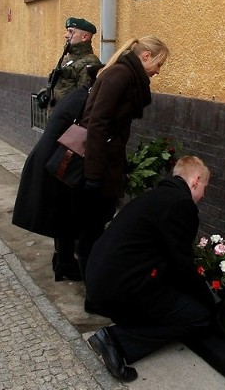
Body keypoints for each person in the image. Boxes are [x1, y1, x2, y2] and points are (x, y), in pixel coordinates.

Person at [85, 156, 215, 382]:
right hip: (121, 289)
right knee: (199, 317)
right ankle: (116, 340)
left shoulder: (156, 197)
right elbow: (181, 264)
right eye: (205, 186)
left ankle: (125, 327)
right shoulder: (180, 204)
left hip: (100, 281)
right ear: (195, 181)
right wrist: (210, 300)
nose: (204, 195)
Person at [76, 36, 169, 284]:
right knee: (92, 229)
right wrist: (94, 175)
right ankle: (92, 290)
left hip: (105, 163)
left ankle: (91, 283)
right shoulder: (121, 76)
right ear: (146, 56)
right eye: (158, 64)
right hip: (97, 166)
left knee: (96, 225)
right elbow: (97, 124)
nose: (158, 72)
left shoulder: (127, 76)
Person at [12, 84, 93, 282]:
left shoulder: (77, 95)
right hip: (57, 160)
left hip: (52, 157)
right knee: (63, 213)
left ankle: (62, 261)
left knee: (61, 212)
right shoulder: (85, 99)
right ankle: (64, 264)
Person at [45, 17, 103, 118]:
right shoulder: (68, 58)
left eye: (71, 32)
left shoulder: (89, 62)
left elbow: (84, 99)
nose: (66, 35)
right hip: (57, 117)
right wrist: (45, 94)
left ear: (84, 37)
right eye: (67, 31)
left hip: (68, 121)